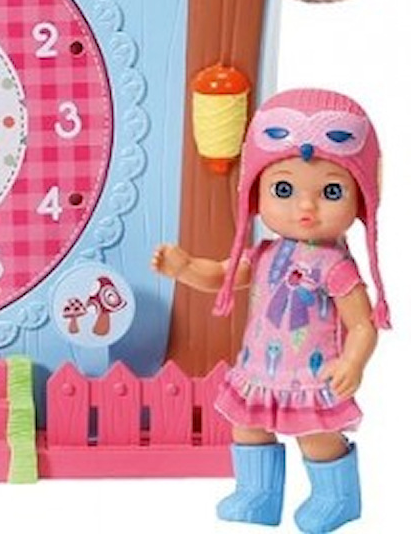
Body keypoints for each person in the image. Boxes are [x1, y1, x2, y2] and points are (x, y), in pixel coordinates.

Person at [153, 89, 390, 532]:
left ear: (360, 198)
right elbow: (221, 273)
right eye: (284, 189)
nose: (305, 206)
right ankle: (257, 494)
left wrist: (352, 361)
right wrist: (185, 268)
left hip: (311, 375)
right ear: (256, 192)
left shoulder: (334, 264)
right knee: (247, 428)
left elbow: (363, 322)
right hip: (260, 370)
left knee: (316, 438)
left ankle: (336, 498)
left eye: (331, 191)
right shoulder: (264, 253)